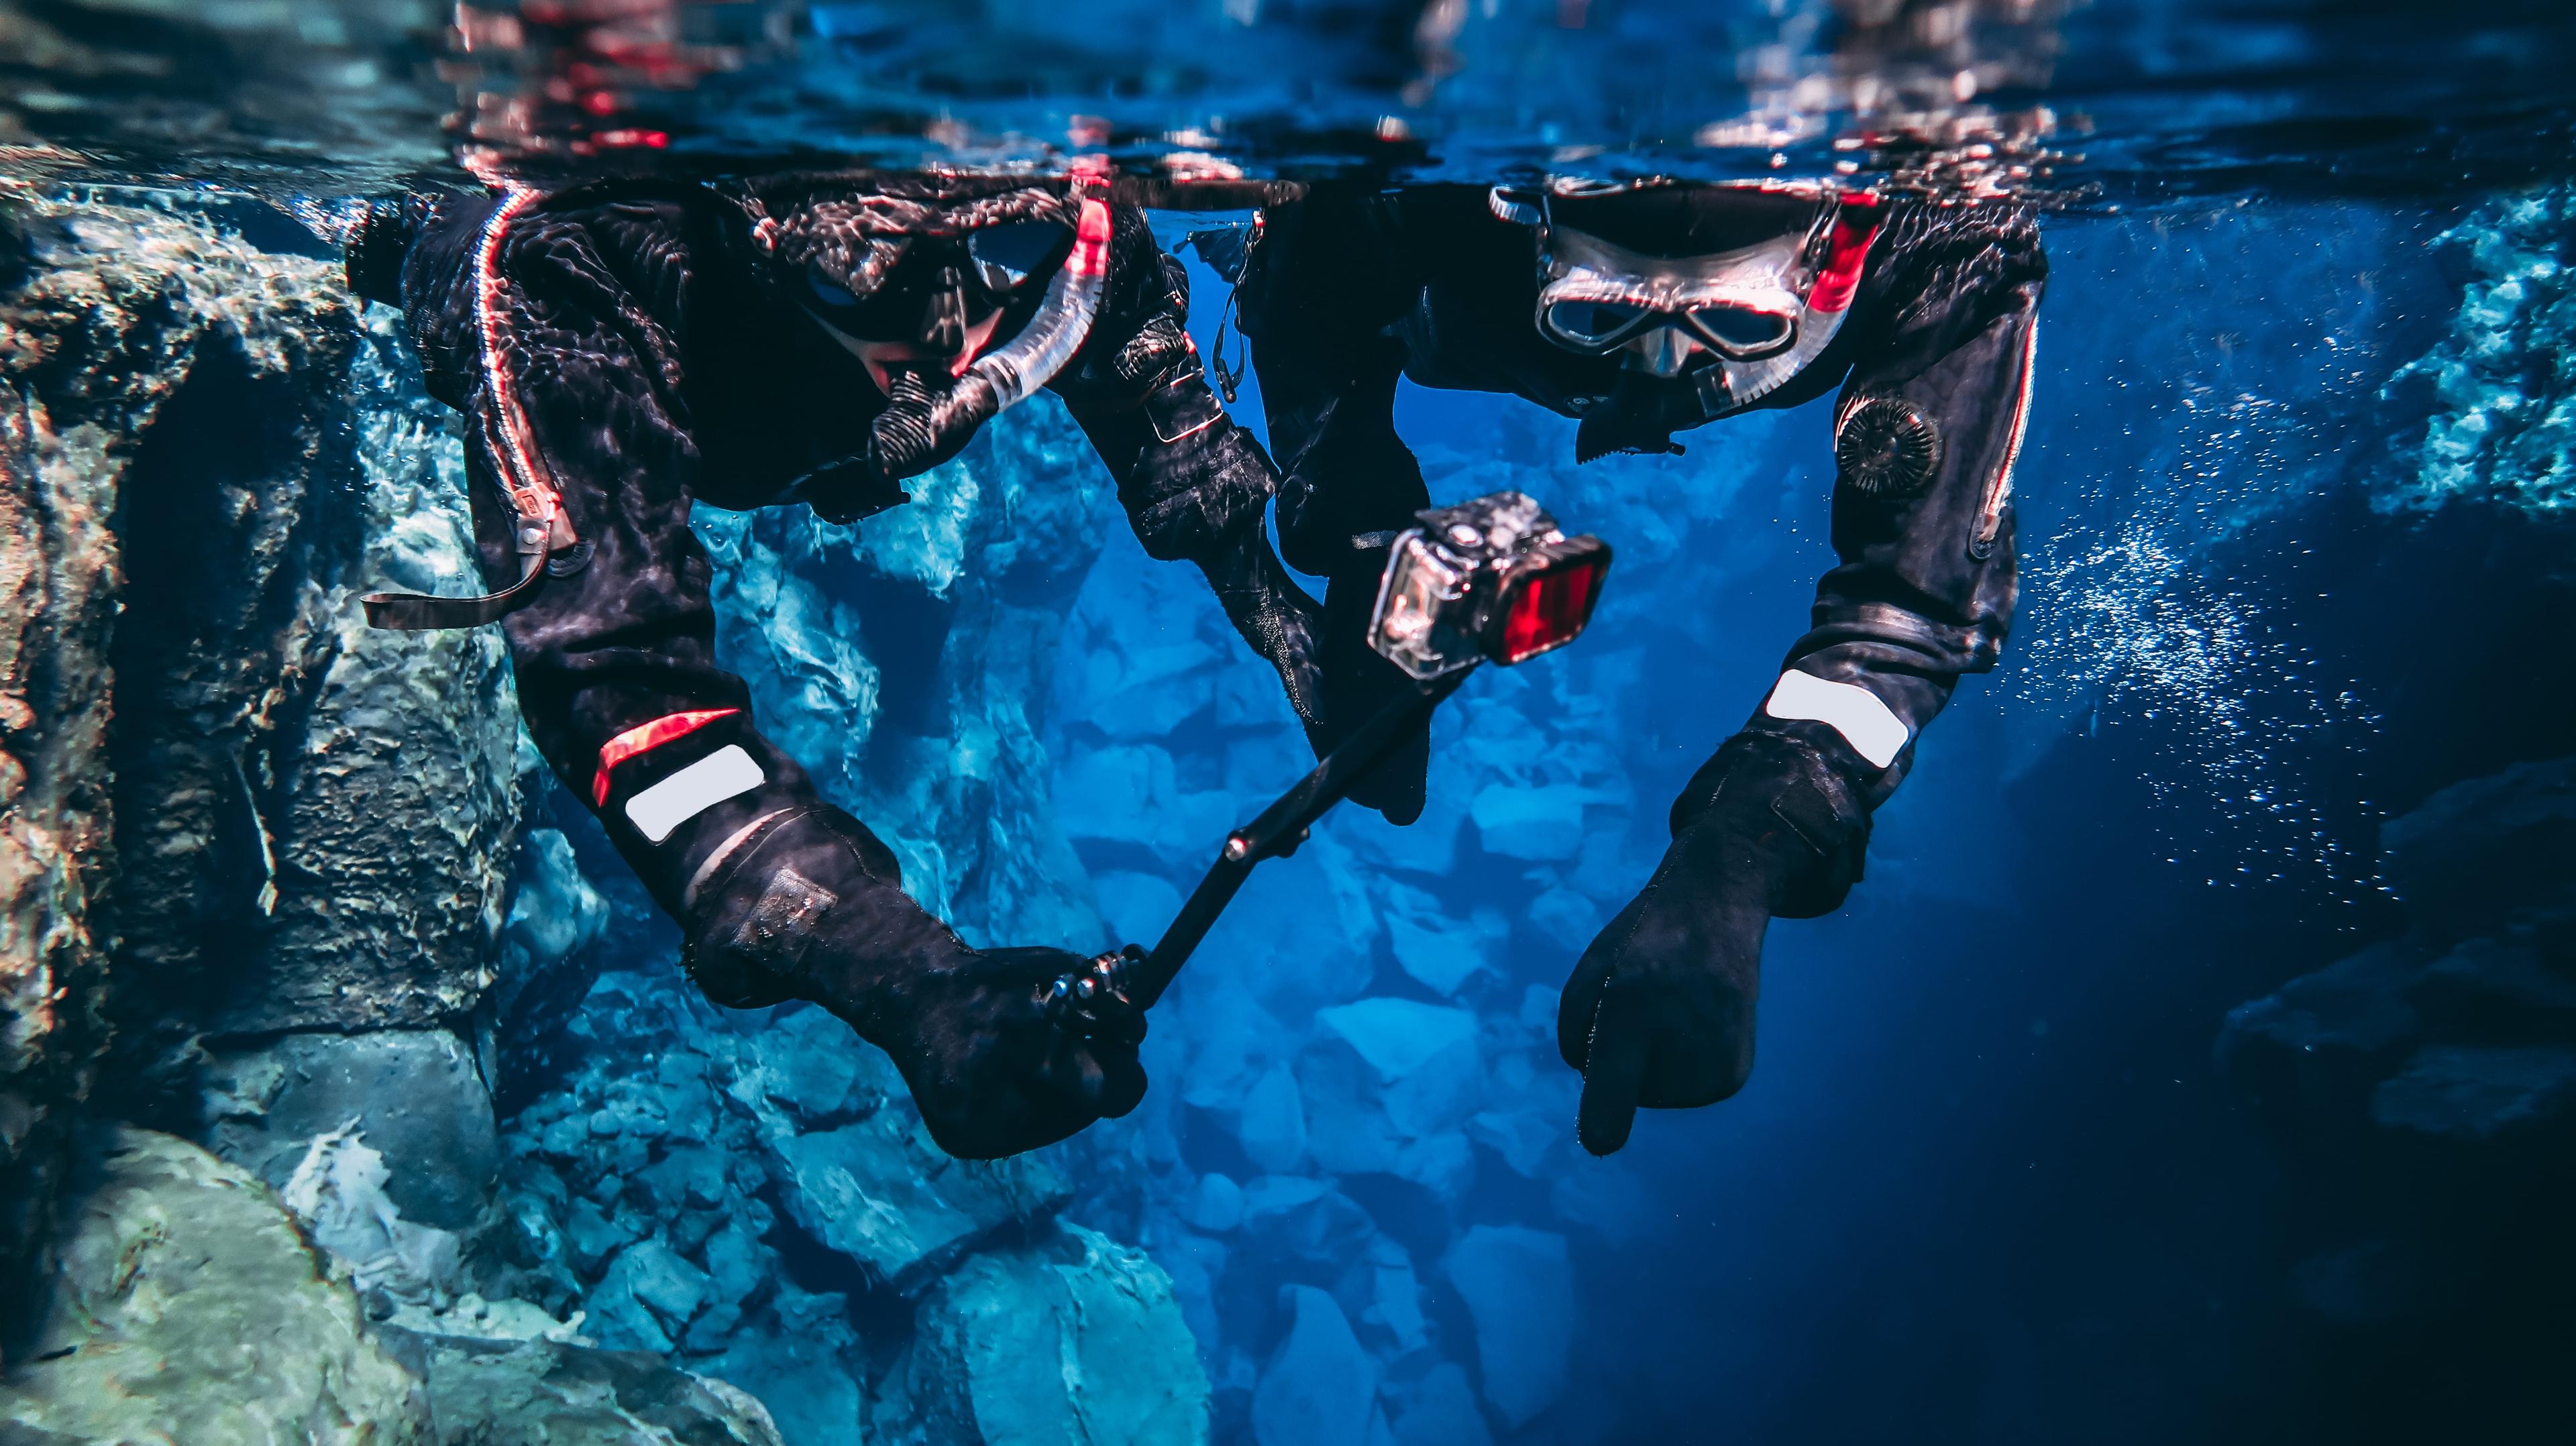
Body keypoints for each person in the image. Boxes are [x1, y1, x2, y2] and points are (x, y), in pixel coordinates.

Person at [345, 166, 1334, 1160]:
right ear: (762, 233)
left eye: (983, 282)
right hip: (632, 330)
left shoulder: (1043, 216)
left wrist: (1292, 626)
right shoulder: (565, 274)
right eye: (862, 289)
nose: (939, 371)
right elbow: (627, 703)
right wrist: (904, 977)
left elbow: (1127, 342)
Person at [1228, 177, 2045, 1154]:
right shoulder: (1397, 202)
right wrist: (1362, 544)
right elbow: (1311, 307)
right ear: (1528, 234)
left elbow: (1905, 609)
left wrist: (1747, 844)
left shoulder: (1945, 245)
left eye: (1732, 327)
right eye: (1596, 315)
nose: (1656, 362)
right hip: (1443, 275)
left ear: (1834, 264)